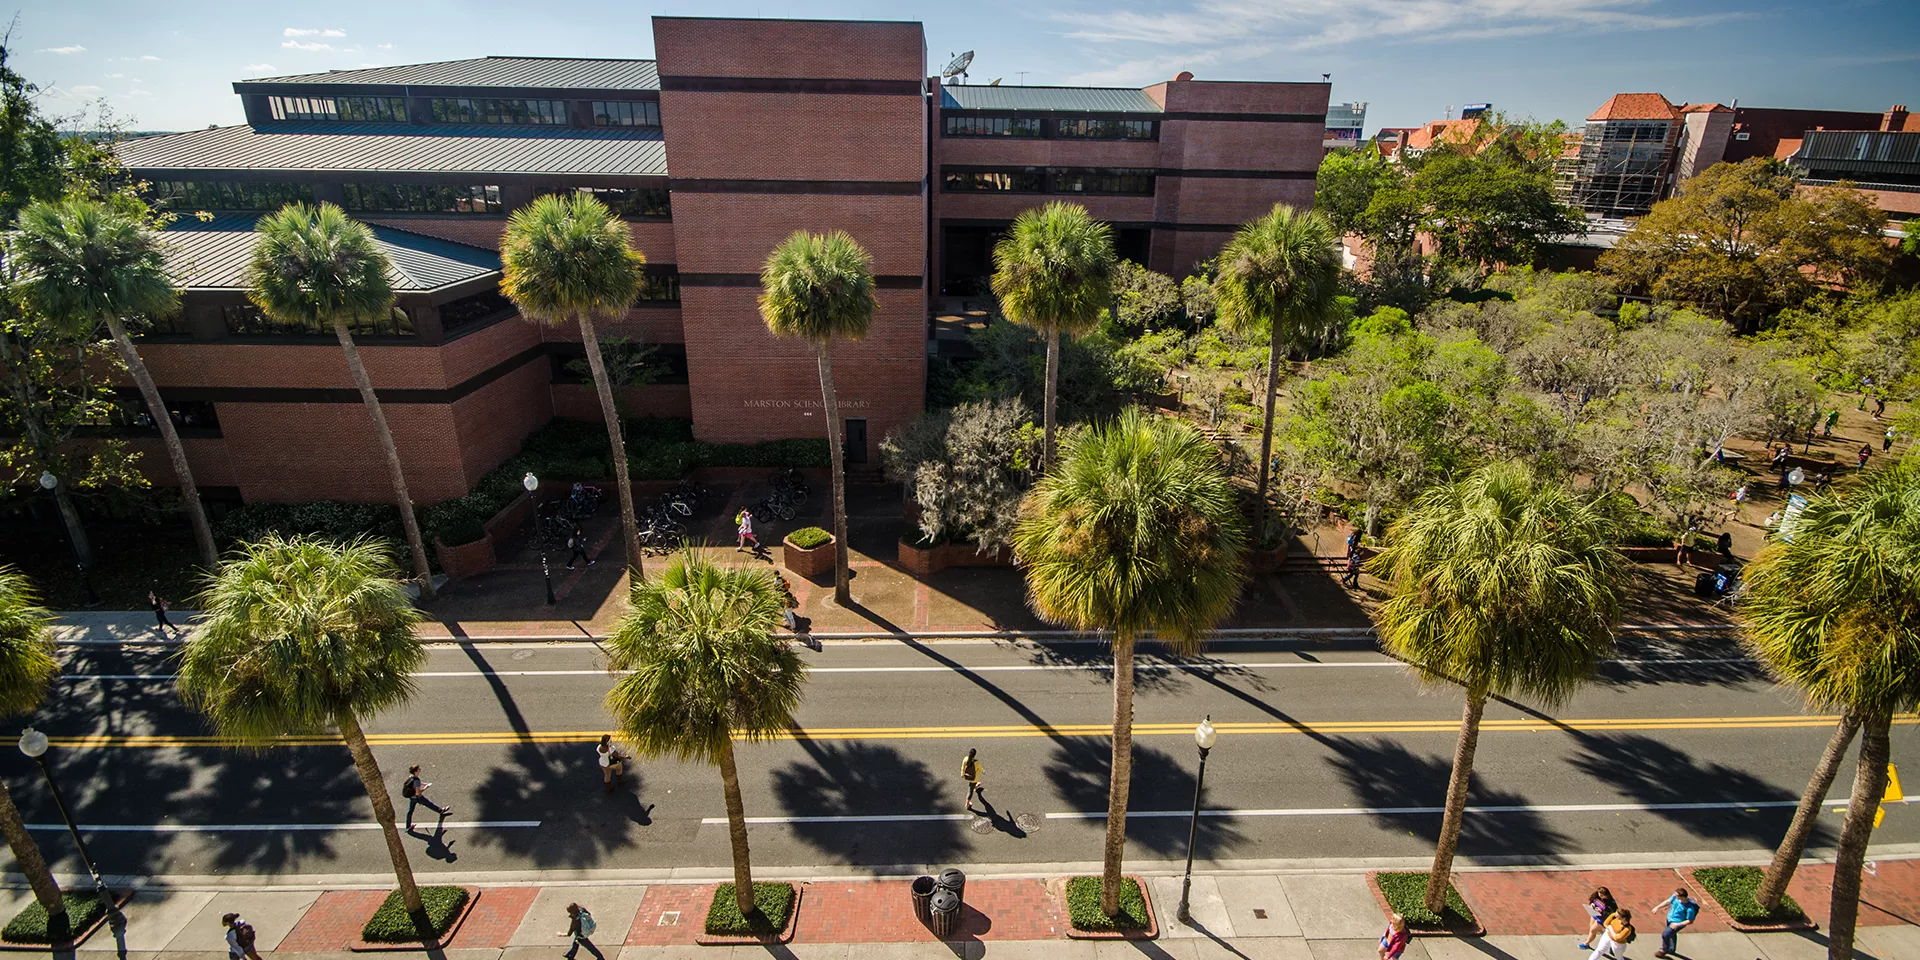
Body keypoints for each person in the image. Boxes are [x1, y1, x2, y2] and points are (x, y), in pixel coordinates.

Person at [1650, 887, 1698, 958]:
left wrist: (1677, 924)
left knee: (1665, 935)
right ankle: (1672, 949)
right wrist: (1657, 907)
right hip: (1670, 919)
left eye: (1676, 895)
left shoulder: (1689, 909)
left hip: (1677, 923)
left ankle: (1664, 950)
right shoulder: (1675, 897)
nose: (1674, 895)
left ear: (1682, 897)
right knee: (1672, 934)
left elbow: (1690, 921)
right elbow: (1668, 901)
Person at [401, 764, 451, 830]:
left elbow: (417, 783)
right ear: (416, 771)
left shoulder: (411, 777)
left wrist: (424, 783)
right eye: (418, 769)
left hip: (412, 797)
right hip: (418, 798)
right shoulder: (416, 780)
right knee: (429, 804)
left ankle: (408, 826)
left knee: (410, 811)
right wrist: (426, 787)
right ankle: (441, 811)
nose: (420, 769)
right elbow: (418, 792)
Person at [1579, 886, 1617, 951]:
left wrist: (1601, 911)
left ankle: (1586, 943)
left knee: (1593, 930)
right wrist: (1592, 904)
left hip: (1602, 919)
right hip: (1595, 914)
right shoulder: (1596, 895)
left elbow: (1612, 914)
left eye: (1602, 895)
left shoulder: (1611, 903)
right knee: (1594, 929)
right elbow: (1592, 900)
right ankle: (1611, 942)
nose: (1600, 896)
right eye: (1599, 894)